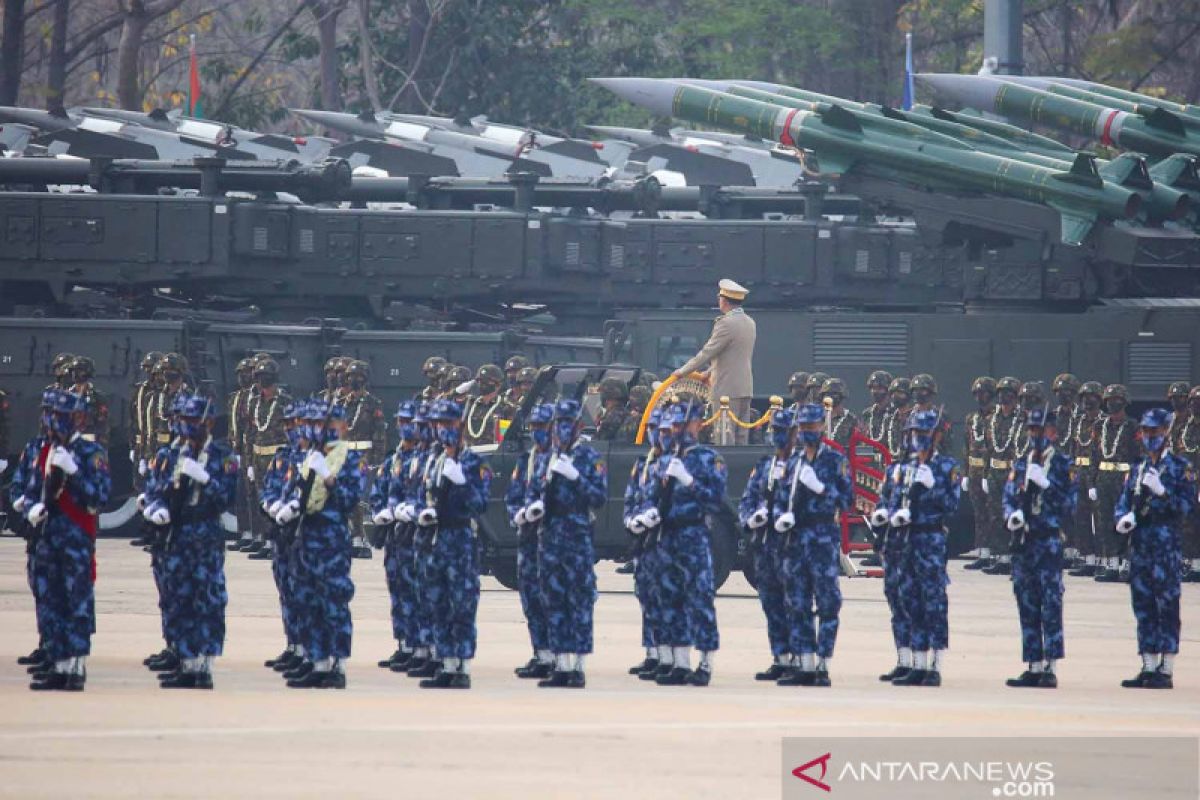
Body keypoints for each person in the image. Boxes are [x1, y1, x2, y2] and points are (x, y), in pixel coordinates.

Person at [143, 394, 237, 689]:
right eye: (183, 420)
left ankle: (204, 666)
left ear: (209, 422)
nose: (187, 426)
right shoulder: (168, 455)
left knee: (207, 598)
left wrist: (206, 479)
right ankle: (185, 662)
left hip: (204, 533)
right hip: (176, 534)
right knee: (178, 596)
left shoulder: (223, 457)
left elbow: (226, 498)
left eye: (193, 420)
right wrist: (154, 507)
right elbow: (154, 489)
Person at [276, 401, 367, 689]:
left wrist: (328, 478)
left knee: (333, 602)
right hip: (307, 537)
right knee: (308, 601)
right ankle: (317, 662)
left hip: (331, 540)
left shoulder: (350, 461)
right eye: (314, 425)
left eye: (327, 425)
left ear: (341, 427)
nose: (320, 430)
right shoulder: (308, 458)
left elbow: (348, 502)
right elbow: (296, 494)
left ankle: (337, 665)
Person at [24, 390, 111, 691]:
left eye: (64, 416)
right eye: (54, 415)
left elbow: (98, 497)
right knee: (51, 600)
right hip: (46, 537)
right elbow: (29, 488)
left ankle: (75, 667)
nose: (57, 422)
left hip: (74, 538)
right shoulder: (41, 451)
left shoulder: (90, 454)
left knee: (76, 601)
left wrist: (74, 473)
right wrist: (27, 505)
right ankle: (57, 664)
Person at [640, 398, 728, 686]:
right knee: (670, 599)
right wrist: (648, 512)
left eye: (683, 423)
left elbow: (716, 500)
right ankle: (679, 662)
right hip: (667, 536)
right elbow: (650, 496)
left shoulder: (707, 459)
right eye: (674, 424)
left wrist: (689, 481)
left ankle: (704, 663)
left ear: (698, 424)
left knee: (699, 598)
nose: (678, 430)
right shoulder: (664, 461)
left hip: (694, 535)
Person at [773, 403, 852, 687]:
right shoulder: (793, 463)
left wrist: (820, 487)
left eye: (812, 427)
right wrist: (780, 516)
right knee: (798, 602)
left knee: (828, 603)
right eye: (803, 428)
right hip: (796, 540)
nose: (808, 432)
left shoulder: (834, 460)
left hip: (822, 539)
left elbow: (847, 500)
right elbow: (781, 499)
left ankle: (823, 665)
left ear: (822, 427)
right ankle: (804, 664)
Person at [1115, 408, 1195, 689]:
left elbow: (1187, 508)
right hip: (1140, 546)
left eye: (1155, 432)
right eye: (1147, 431)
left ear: (1166, 433)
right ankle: (1148, 665)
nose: (1150, 436)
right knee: (1143, 605)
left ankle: (1167, 669)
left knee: (1167, 606)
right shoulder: (1137, 468)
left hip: (1165, 547)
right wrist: (1122, 518)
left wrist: (1164, 492)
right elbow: (1124, 501)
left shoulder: (1179, 467)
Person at [415, 399, 491, 689]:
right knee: (438, 602)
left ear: (459, 425)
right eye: (437, 424)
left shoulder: (473, 461)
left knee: (462, 603)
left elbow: (480, 504)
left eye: (447, 423)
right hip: (435, 538)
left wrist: (462, 483)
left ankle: (463, 666)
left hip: (460, 540)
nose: (441, 429)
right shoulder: (433, 459)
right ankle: (446, 663)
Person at [883, 408, 960, 687]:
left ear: (936, 435)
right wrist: (890, 514)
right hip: (905, 541)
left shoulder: (946, 467)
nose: (919, 438)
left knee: (934, 602)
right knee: (909, 599)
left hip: (930, 540)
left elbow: (952, 506)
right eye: (916, 433)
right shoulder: (905, 467)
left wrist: (934, 487)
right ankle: (917, 662)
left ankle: (935, 664)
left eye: (925, 433)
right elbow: (894, 499)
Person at [533, 399, 606, 688]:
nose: (560, 429)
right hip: (550, 535)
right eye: (557, 423)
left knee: (578, 600)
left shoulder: (589, 457)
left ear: (578, 426)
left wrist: (575, 477)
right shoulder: (545, 457)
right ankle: (561, 664)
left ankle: (577, 666)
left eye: (566, 423)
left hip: (576, 535)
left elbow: (598, 498)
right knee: (553, 599)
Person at [1002, 408, 1076, 688]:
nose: (1035, 435)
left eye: (1041, 430)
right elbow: (1008, 497)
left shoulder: (1063, 466)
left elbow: (1071, 505)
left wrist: (1047, 485)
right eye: (1032, 429)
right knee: (1027, 601)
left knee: (1050, 602)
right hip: (1024, 541)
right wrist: (1012, 515)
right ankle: (1033, 664)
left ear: (1053, 433)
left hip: (1048, 541)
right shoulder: (1021, 463)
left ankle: (1050, 666)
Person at [740, 408, 796, 681]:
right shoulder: (765, 466)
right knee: (771, 602)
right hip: (765, 543)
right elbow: (747, 499)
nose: (778, 436)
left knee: (794, 603)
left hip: (793, 544)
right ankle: (780, 657)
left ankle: (801, 658)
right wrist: (751, 517)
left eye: (784, 432)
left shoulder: (803, 466)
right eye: (775, 431)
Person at [370, 401, 424, 672]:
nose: (405, 427)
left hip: (414, 533)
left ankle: (420, 646)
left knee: (417, 592)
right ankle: (403, 644)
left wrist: (408, 511)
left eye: (410, 422)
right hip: (394, 535)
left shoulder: (423, 460)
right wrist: (381, 511)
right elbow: (378, 490)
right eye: (402, 421)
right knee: (398, 590)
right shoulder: (393, 460)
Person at [671, 279, 756, 446]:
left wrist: (682, 372)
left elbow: (707, 352)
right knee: (741, 439)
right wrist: (708, 372)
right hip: (745, 387)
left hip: (726, 390)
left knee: (725, 439)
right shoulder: (750, 323)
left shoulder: (726, 324)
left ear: (723, 300)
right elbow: (733, 354)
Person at [506, 403, 556, 679]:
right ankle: (541, 654)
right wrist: (518, 514)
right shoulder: (527, 460)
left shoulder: (562, 459)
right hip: (528, 537)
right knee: (531, 598)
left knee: (552, 598)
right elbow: (512, 496)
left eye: (543, 427)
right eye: (534, 427)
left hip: (553, 537)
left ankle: (559, 657)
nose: (537, 432)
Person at [260, 402, 305, 675]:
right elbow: (269, 489)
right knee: (286, 591)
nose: (291, 429)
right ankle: (292, 645)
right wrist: (271, 505)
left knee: (302, 592)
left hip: (303, 534)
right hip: (281, 533)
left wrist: (293, 508)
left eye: (295, 424)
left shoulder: (314, 458)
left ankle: (307, 649)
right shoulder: (282, 457)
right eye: (287, 424)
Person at [623, 406, 668, 679]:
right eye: (651, 428)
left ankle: (667, 653)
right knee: (645, 595)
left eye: (659, 429)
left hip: (666, 540)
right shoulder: (643, 463)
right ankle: (651, 651)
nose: (654, 435)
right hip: (644, 540)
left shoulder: (673, 464)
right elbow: (630, 498)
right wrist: (632, 520)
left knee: (665, 597)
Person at [242, 358, 291, 557]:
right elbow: (250, 433)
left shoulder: (285, 402)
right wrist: (249, 463)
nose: (262, 381)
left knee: (278, 501)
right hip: (258, 457)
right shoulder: (253, 403)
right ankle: (268, 541)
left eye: (266, 377)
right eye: (259, 377)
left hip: (278, 458)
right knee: (262, 502)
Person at [340, 360, 387, 559]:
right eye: (350, 377)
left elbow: (380, 433)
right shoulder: (342, 403)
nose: (353, 380)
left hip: (364, 455)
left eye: (357, 377)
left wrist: (376, 460)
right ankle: (351, 537)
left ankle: (361, 539)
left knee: (361, 500)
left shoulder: (372, 403)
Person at [1092, 384, 1138, 583]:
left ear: (1125, 402)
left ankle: (1126, 565)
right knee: (1104, 522)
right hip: (1103, 479)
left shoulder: (1133, 427)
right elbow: (1094, 455)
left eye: (1116, 400)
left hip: (1124, 479)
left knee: (1125, 523)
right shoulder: (1099, 426)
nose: (1112, 404)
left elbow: (1139, 455)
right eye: (1109, 401)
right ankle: (1110, 564)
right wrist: (1093, 482)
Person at [978, 377, 1022, 575]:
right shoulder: (991, 420)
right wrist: (986, 473)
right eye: (1001, 392)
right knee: (995, 515)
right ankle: (1001, 557)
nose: (1004, 396)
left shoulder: (1023, 420)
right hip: (995, 472)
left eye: (1009, 393)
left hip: (1013, 473)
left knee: (1014, 515)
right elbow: (987, 449)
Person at [1067, 381, 1104, 577]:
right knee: (1079, 517)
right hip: (1079, 473)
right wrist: (1072, 471)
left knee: (1099, 519)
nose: (1087, 402)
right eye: (1084, 398)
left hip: (1096, 474)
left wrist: (1094, 479)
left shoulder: (1104, 422)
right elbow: (1074, 449)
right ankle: (1087, 558)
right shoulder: (1078, 422)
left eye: (1091, 398)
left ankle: (1101, 558)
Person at [962, 377, 996, 570]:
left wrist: (987, 473)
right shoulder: (971, 418)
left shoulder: (996, 417)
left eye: (983, 393)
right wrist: (965, 473)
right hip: (974, 471)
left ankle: (997, 552)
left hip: (990, 471)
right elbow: (967, 447)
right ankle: (983, 552)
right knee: (979, 513)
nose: (980, 397)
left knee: (994, 513)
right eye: (977, 393)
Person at [1177, 387, 1200, 583]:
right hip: (1187, 481)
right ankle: (1191, 563)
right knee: (1187, 523)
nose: (1194, 405)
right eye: (1192, 401)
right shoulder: (1184, 426)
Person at [463, 364, 512, 447]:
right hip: (470, 452)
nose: (481, 384)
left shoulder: (505, 407)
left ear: (498, 384)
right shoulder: (469, 405)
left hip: (493, 454)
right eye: (479, 381)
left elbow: (504, 438)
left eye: (486, 381)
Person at [68, 356, 110, 447]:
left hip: (90, 442)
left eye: (78, 371)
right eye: (73, 371)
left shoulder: (98, 398)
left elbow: (102, 425)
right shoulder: (65, 396)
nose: (74, 374)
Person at [818, 377, 858, 452]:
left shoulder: (851, 420)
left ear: (841, 396)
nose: (829, 397)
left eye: (834, 394)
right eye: (826, 394)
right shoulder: (816, 419)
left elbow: (858, 446)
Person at [860, 370, 893, 444]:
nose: (875, 391)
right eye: (873, 388)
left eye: (879, 388)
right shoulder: (867, 414)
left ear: (887, 390)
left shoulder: (895, 413)